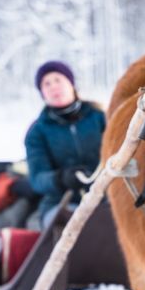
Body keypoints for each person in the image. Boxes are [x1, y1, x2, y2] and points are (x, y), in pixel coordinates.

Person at [25, 61, 106, 229]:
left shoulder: (100, 118)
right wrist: (60, 178)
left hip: (105, 198)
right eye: (46, 84)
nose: (53, 86)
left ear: (71, 84)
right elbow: (37, 179)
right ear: (42, 93)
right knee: (75, 223)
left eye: (58, 80)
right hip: (59, 204)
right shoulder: (37, 131)